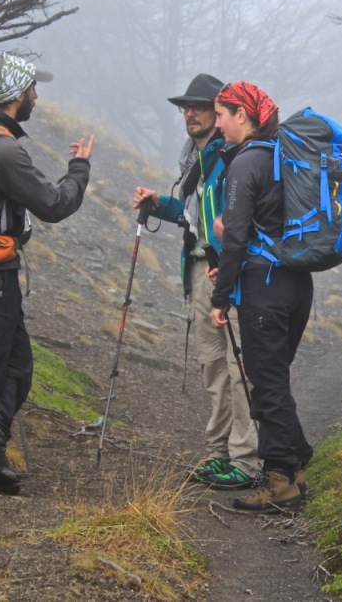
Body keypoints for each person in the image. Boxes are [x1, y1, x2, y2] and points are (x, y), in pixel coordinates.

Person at [0, 53, 94, 494]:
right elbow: (54, 204)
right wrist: (80, 168)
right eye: (31, 89)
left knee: (11, 362)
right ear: (15, 94)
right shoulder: (2, 149)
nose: (36, 97)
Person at [132, 74, 261, 490]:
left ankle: (246, 460)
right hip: (199, 272)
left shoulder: (234, 158)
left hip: (228, 276)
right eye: (186, 107)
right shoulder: (197, 161)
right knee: (213, 368)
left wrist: (229, 268)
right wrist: (161, 203)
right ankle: (219, 452)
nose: (191, 113)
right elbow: (196, 218)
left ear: (219, 112)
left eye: (201, 106)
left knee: (238, 367)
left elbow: (238, 224)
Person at [208, 81, 313, 512]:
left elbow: (234, 237)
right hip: (297, 282)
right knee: (275, 377)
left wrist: (219, 297)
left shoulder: (245, 163)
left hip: (264, 288)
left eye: (221, 115)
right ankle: (299, 460)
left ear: (244, 117)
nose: (217, 125)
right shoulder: (282, 158)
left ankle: (280, 482)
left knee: (266, 382)